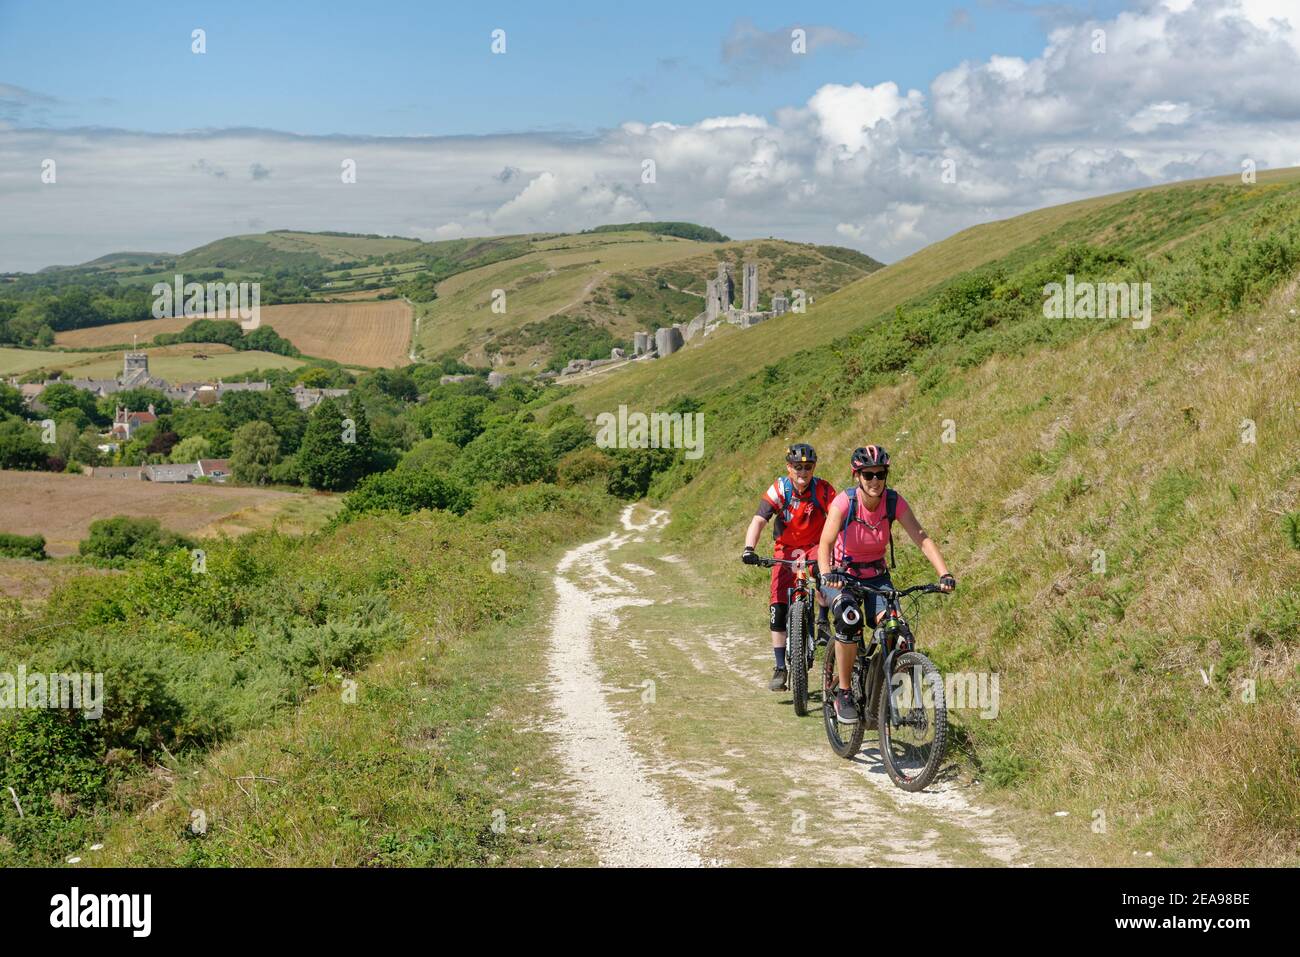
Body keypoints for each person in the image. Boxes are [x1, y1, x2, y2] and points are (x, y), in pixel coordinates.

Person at [817, 444, 956, 723]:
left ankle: (884, 694)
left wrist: (944, 573)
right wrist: (825, 573)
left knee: (897, 629)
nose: (875, 481)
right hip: (842, 576)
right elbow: (826, 543)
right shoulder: (845, 502)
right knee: (849, 618)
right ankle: (844, 691)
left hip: (877, 577)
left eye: (880, 474)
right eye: (868, 475)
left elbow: (921, 537)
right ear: (857, 476)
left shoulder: (893, 502)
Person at [741, 443, 836, 691]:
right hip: (785, 550)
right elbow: (759, 520)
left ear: (814, 467)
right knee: (778, 604)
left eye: (807, 467)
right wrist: (749, 549)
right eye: (797, 467)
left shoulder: (823, 490)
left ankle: (823, 620)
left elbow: (839, 519)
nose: (802, 472)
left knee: (826, 575)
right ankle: (780, 667)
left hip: (815, 547)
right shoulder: (780, 489)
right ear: (789, 467)